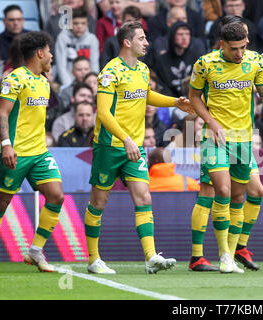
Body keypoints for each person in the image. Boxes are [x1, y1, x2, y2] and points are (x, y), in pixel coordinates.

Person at [188, 16, 263, 272]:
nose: (239, 53)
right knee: (222, 191)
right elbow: (194, 97)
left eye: (243, 47)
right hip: (214, 138)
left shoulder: (253, 61)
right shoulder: (205, 64)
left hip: (243, 140)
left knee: (241, 195)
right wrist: (211, 122)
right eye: (234, 48)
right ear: (222, 45)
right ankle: (222, 255)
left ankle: (233, 250)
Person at [83, 21, 193, 274]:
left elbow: (147, 95)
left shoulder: (142, 70)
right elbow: (103, 113)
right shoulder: (110, 72)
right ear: (127, 42)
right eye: (142, 38)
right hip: (110, 146)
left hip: (134, 147)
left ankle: (151, 256)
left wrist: (174, 101)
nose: (147, 42)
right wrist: (126, 139)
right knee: (98, 203)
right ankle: (93, 259)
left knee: (144, 197)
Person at [0, 31, 64, 273]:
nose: (52, 55)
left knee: (56, 196)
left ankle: (35, 251)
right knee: (0, 204)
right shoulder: (15, 78)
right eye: (49, 50)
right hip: (15, 153)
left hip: (39, 153)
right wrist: (6, 145)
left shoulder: (44, 82)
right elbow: (2, 113)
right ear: (40, 53)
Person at [153, 21, 206, 97]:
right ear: (172, 36)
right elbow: (162, 86)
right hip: (171, 102)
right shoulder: (162, 60)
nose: (184, 37)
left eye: (187, 34)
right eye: (180, 34)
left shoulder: (197, 57)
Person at [55, 7, 100, 87]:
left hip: (88, 83)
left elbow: (94, 65)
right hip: (67, 83)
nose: (79, 26)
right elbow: (61, 66)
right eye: (75, 23)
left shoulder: (92, 39)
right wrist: (69, 86)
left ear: (87, 24)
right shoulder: (62, 38)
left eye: (83, 23)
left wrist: (92, 83)